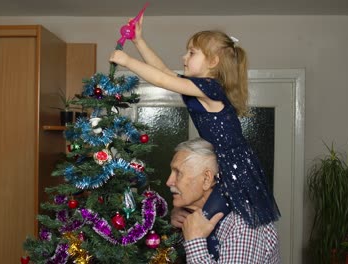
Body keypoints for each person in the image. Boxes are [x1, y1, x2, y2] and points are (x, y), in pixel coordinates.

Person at [109, 16, 280, 259]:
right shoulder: (200, 91)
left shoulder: (211, 88)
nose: (184, 58)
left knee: (205, 223)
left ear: (213, 61)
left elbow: (162, 79)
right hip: (226, 165)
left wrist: (127, 61)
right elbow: (165, 73)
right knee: (200, 223)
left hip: (234, 169)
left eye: (191, 53)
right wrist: (139, 41)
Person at [167, 138, 280, 263]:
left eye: (178, 173)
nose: (169, 182)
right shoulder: (189, 216)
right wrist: (174, 228)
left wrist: (195, 242)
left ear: (206, 179)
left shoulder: (243, 225)